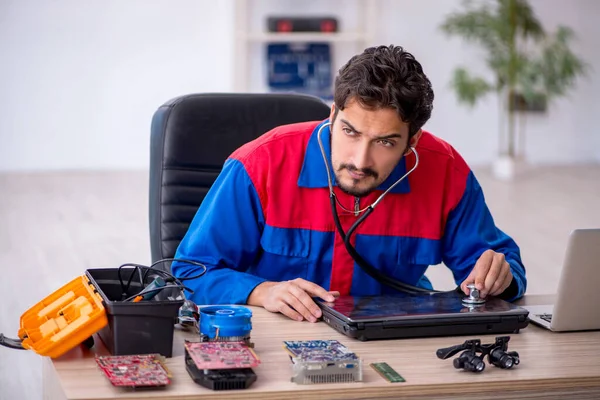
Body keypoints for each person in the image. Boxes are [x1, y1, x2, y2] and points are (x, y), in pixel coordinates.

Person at [172, 45, 527, 322]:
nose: (359, 160)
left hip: (395, 343)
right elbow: (192, 269)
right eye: (350, 131)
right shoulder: (260, 164)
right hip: (282, 337)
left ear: (413, 140)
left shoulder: (446, 171)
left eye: (385, 142)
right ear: (332, 115)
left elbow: (502, 265)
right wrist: (261, 291)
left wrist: (499, 276)